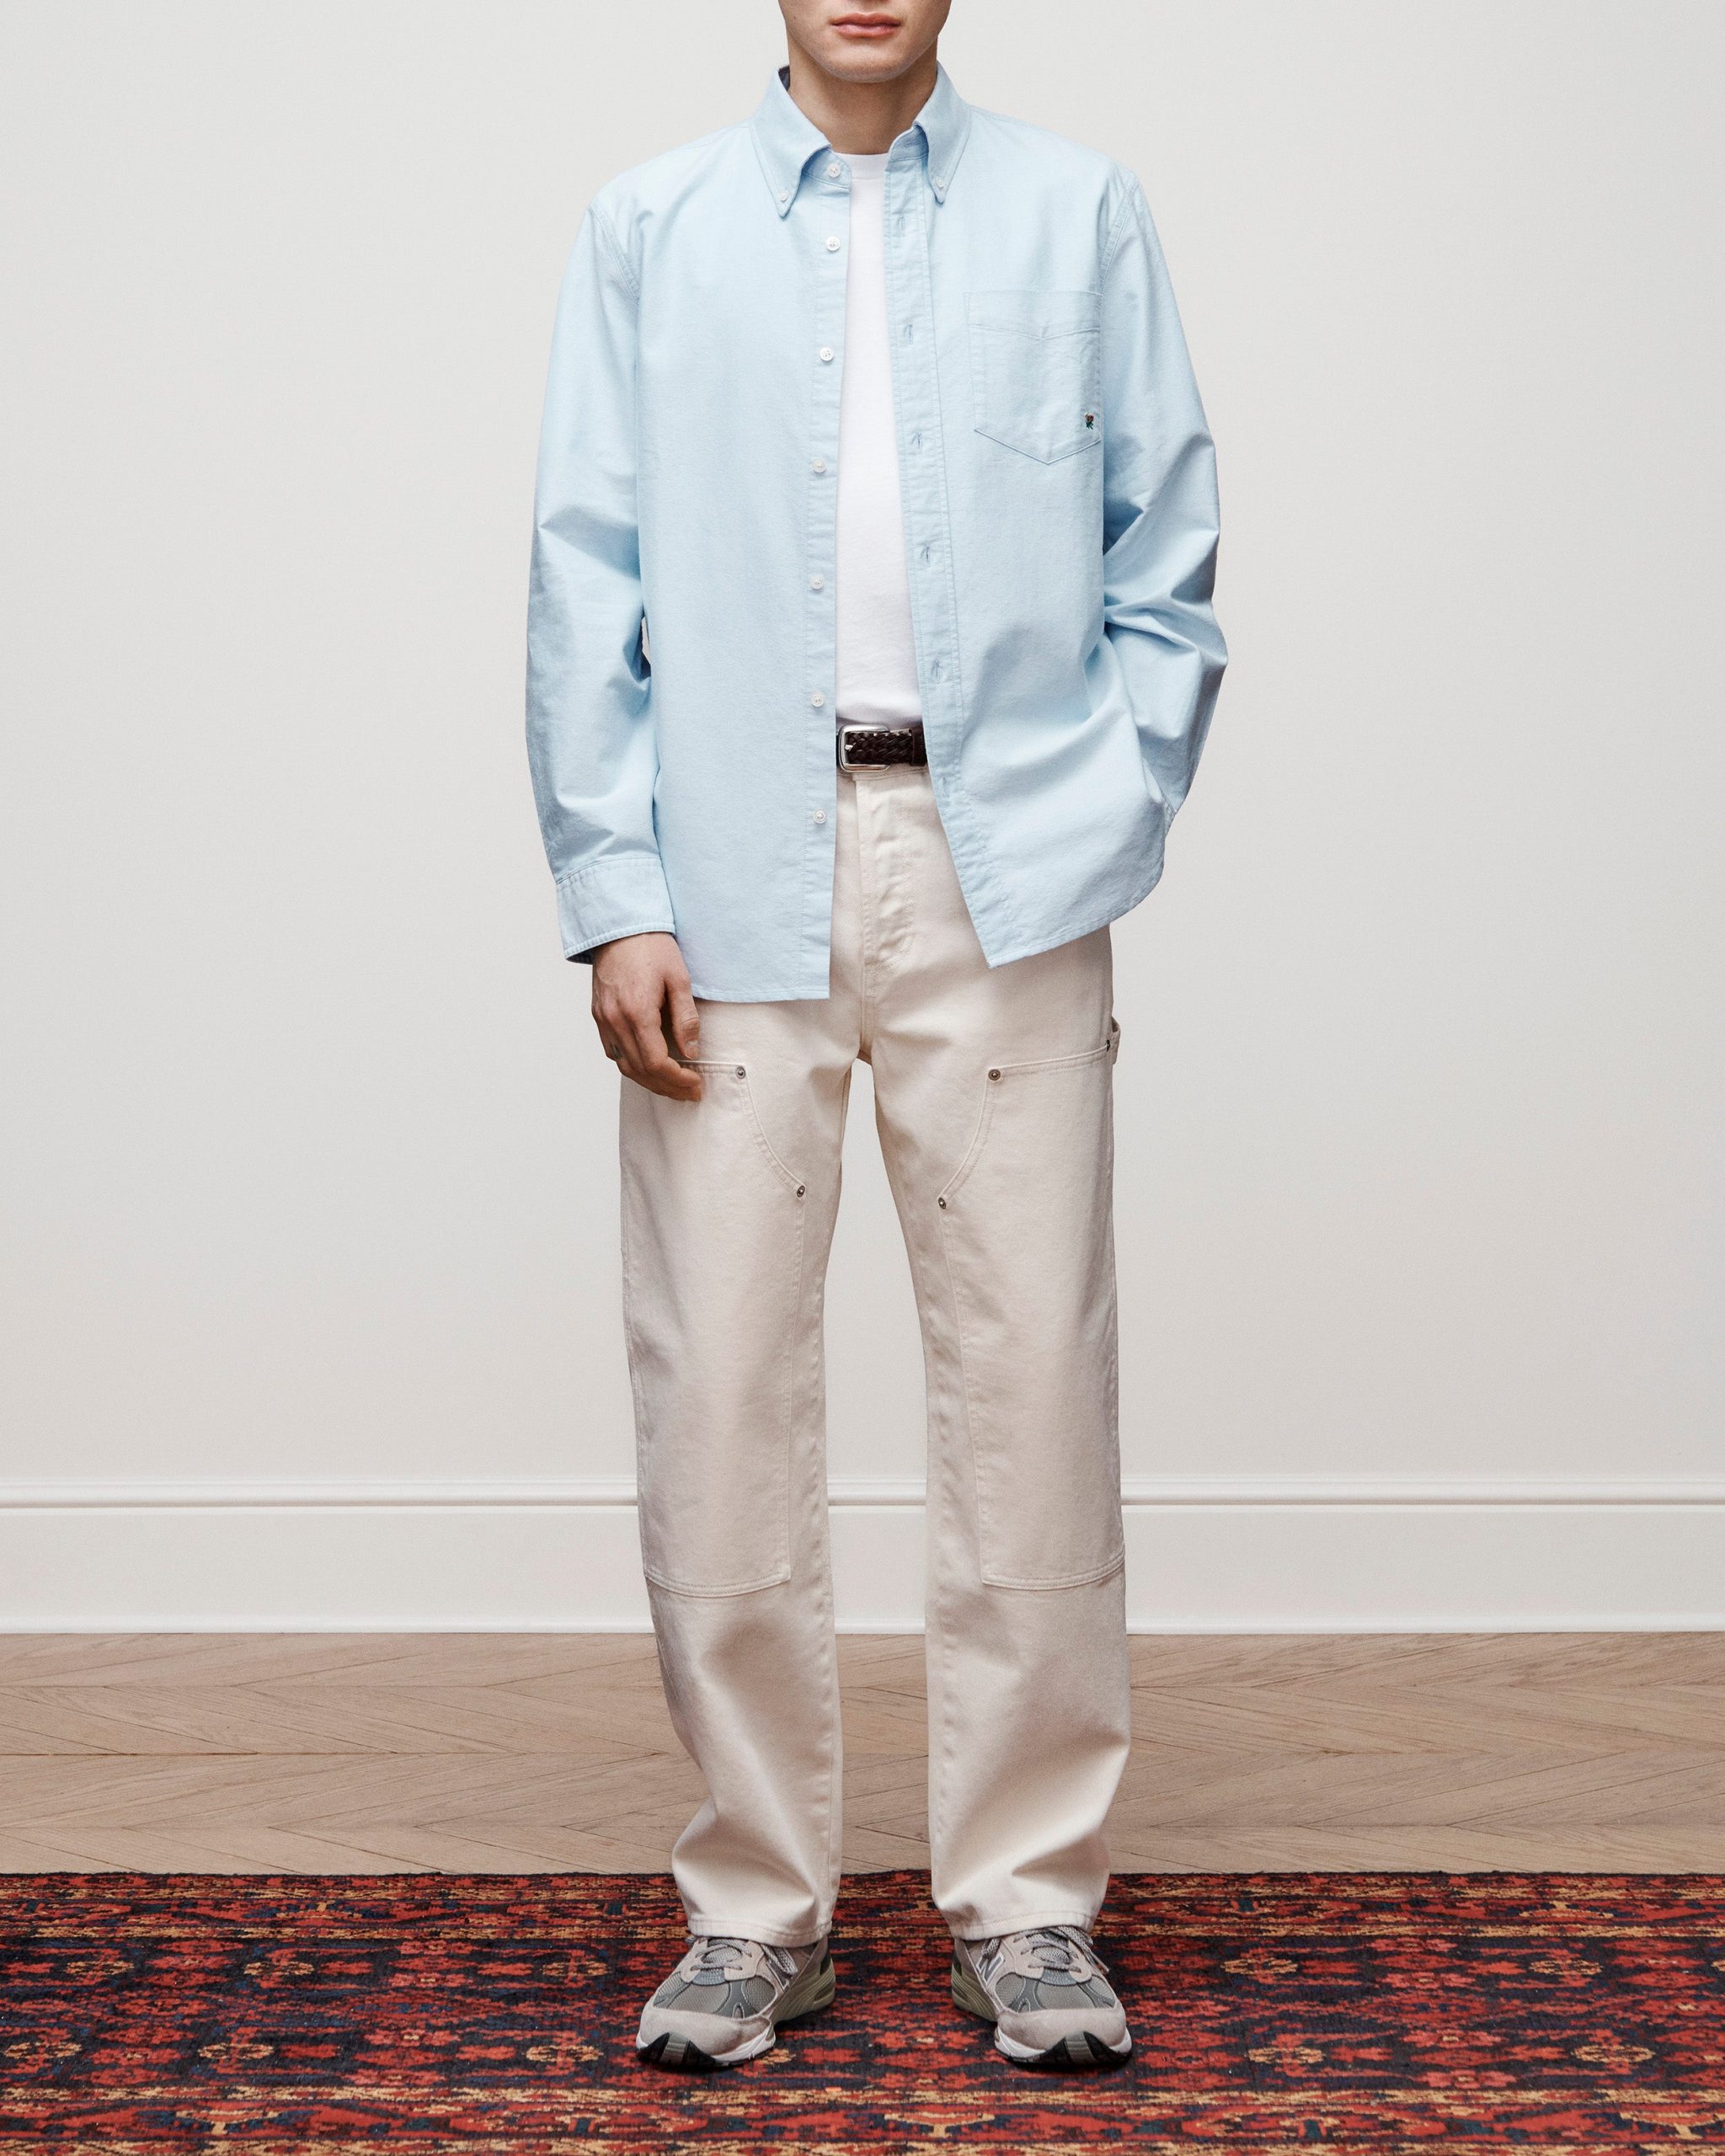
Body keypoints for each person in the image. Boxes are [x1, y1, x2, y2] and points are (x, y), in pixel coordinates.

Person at [526, 0, 1225, 2073]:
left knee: (1031, 1376)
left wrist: (1107, 810)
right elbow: (582, 567)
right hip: (725, 864)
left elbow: (1167, 547)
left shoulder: (1078, 212)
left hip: (1005, 862)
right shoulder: (646, 227)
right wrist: (616, 888)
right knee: (720, 1377)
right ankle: (754, 1902)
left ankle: (1029, 1897)